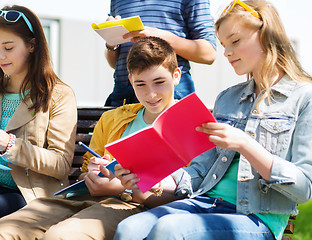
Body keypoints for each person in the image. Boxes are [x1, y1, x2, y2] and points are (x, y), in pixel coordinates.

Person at [113, 1, 312, 239]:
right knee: (128, 228)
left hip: (256, 218)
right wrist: (155, 181)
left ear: (266, 35)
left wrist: (245, 144)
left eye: (235, 41)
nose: (226, 52)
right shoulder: (227, 98)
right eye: (225, 45)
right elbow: (199, 170)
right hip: (205, 203)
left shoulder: (308, 99)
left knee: (168, 229)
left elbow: (305, 188)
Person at [0, 36, 185, 240]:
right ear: (131, 80)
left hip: (131, 205)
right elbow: (82, 175)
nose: (150, 94)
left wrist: (123, 187)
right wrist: (93, 174)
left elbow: (189, 192)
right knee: (5, 230)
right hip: (82, 198)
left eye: (159, 82)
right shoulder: (113, 118)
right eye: (140, 84)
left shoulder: (188, 122)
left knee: (61, 236)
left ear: (176, 76)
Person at [0, 5, 77, 217]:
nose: (1, 56)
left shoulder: (59, 94)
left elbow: (61, 164)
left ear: (32, 45)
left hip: (30, 196)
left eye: (8, 48)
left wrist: (10, 145)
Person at [104, 0, 217, 106]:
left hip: (172, 93)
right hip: (123, 96)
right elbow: (115, 64)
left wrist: (160, 37)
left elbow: (208, 53)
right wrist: (111, 43)